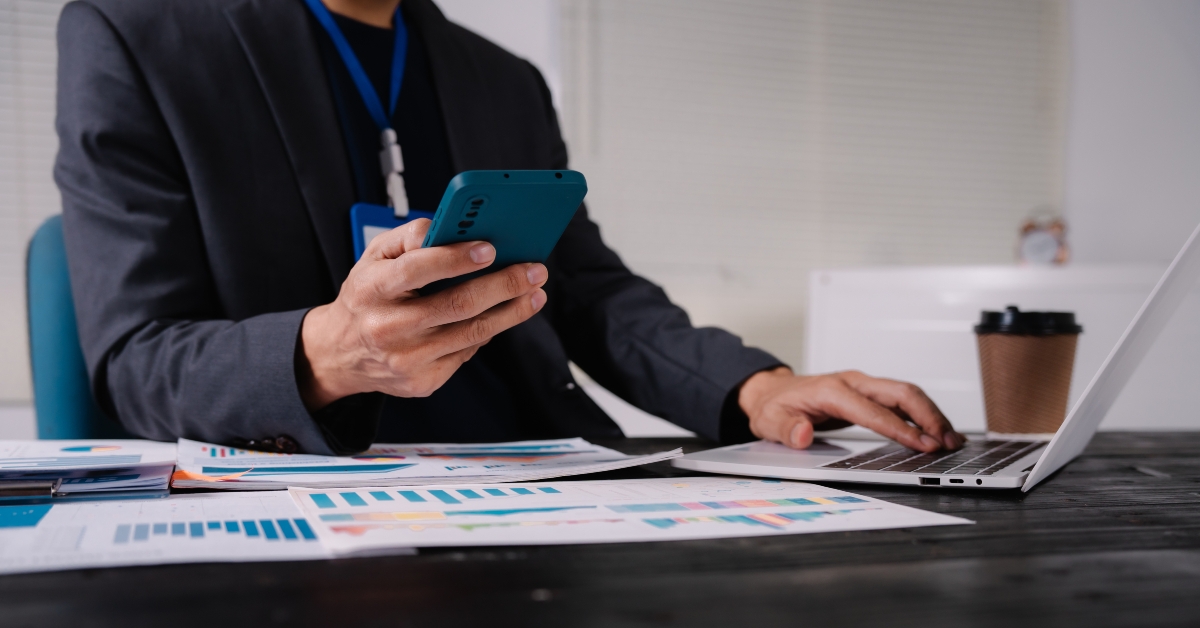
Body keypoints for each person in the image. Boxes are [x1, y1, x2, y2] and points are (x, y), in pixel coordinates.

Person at [54, 0, 965, 455]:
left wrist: (756, 387)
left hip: (532, 485)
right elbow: (134, 357)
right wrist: (326, 353)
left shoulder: (502, 78)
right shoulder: (136, 38)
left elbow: (585, 291)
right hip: (302, 505)